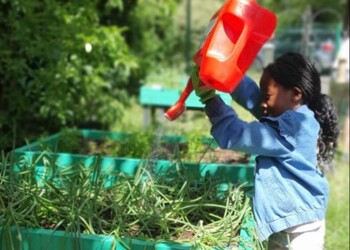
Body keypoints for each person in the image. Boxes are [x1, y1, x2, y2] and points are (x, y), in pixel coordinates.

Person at [191, 52, 339, 249]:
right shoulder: (294, 114)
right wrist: (223, 73)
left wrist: (211, 101)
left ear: (295, 94)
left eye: (266, 96)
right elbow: (255, 99)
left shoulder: (292, 128)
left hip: (300, 232)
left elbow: (240, 135)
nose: (262, 103)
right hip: (291, 222)